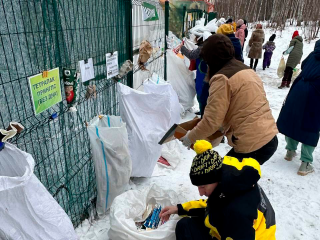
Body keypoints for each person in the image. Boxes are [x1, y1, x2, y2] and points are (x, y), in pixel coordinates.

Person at [180, 34, 278, 165]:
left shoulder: (222, 78)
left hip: (252, 144)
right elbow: (241, 106)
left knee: (225, 181)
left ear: (211, 59)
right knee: (237, 180)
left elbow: (211, 121)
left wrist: (190, 137)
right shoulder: (245, 69)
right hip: (268, 137)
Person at [160, 140, 276, 240]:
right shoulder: (234, 183)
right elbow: (213, 205)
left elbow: (224, 210)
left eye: (203, 187)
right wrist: (179, 208)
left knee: (185, 228)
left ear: (216, 179)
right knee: (185, 225)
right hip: (236, 229)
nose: (200, 193)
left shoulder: (236, 212)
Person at [277, 40, 320, 176]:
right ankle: (305, 164)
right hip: (315, 93)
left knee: (294, 119)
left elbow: (304, 65)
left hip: (298, 88)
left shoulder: (313, 55)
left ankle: (290, 151)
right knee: (310, 126)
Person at [176, 34, 210, 115]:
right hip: (204, 72)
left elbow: (192, 55)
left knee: (202, 93)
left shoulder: (202, 47)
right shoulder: (206, 45)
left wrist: (182, 47)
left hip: (203, 74)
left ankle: (204, 113)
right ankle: (203, 111)